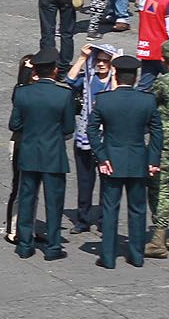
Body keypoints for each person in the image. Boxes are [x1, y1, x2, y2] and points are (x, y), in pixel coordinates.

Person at [91, 55, 161, 269]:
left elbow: (91, 129)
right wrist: (153, 159)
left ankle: (108, 256)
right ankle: (137, 255)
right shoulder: (147, 100)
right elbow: (157, 131)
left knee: (110, 209)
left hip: (112, 161)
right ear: (136, 76)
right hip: (138, 161)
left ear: (116, 74)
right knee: (138, 209)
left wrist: (101, 156)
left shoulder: (104, 100)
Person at [10, 49, 78, 258]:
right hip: (53, 154)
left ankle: (24, 245)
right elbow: (68, 127)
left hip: (30, 153)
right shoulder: (64, 94)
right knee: (54, 202)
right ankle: (53, 247)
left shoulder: (23, 93)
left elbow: (15, 123)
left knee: (27, 198)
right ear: (55, 71)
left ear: (35, 72)